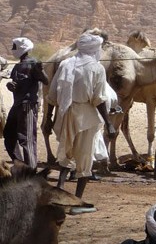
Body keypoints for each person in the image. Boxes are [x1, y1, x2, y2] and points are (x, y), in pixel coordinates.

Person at [45, 33, 116, 203]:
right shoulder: (97, 68)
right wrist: (108, 123)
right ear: (94, 49)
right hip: (86, 117)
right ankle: (77, 200)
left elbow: (52, 94)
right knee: (85, 157)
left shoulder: (65, 64)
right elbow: (99, 99)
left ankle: (59, 194)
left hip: (66, 113)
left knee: (65, 153)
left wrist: (49, 118)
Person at [4, 37, 47, 168]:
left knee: (27, 139)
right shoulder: (18, 65)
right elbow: (16, 84)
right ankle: (21, 165)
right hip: (17, 105)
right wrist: (11, 85)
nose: (12, 50)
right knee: (9, 134)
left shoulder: (33, 63)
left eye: (14, 47)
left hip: (27, 105)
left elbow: (46, 80)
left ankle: (31, 172)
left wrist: (40, 70)